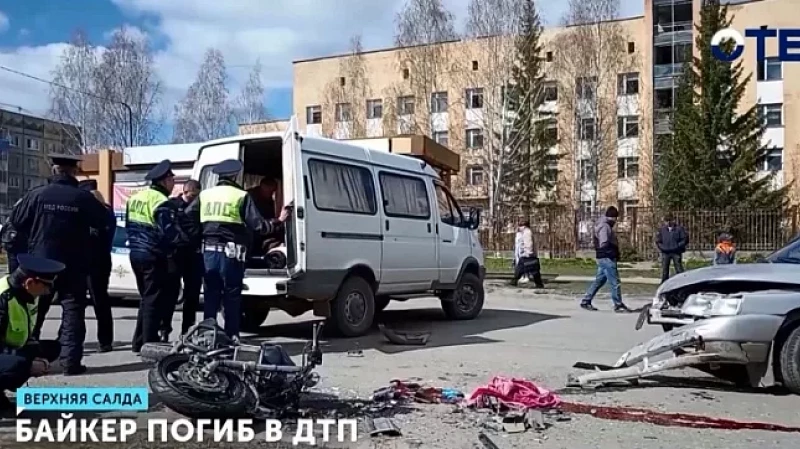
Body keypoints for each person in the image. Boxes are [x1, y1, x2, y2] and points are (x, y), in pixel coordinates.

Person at [9, 153, 110, 375]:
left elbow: (17, 221)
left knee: (36, 310)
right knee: (73, 311)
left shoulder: (36, 195)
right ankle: (70, 363)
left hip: (41, 263)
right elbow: (104, 221)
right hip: (73, 264)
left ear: (54, 170)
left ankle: (28, 359)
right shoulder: (82, 198)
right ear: (74, 172)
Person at [186, 159, 287, 339]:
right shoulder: (240, 196)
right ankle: (232, 336)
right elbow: (259, 226)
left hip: (208, 252)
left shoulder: (205, 195)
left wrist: (198, 236)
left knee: (211, 295)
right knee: (231, 296)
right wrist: (279, 221)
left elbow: (187, 218)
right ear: (235, 176)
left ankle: (208, 337)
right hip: (231, 254)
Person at [126, 160, 182, 353]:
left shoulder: (135, 198)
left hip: (135, 253)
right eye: (172, 179)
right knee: (153, 300)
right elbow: (168, 232)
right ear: (164, 180)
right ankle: (148, 343)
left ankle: (138, 340)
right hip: (152, 254)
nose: (174, 183)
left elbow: (129, 226)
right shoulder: (161, 202)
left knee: (146, 297)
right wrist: (181, 242)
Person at [0, 254, 65, 412]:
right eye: (46, 286)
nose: (48, 291)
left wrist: (36, 356)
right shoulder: (3, 299)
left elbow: (25, 332)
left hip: (8, 347)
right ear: (29, 282)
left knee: (50, 349)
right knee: (18, 364)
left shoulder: (26, 294)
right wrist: (29, 363)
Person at [78, 180, 117, 352]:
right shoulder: (108, 212)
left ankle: (76, 339)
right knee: (101, 301)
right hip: (103, 260)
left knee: (78, 302)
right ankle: (105, 341)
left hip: (87, 260)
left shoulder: (90, 214)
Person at [163, 179, 203, 337]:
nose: (194, 200)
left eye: (196, 197)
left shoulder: (200, 207)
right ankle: (164, 328)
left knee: (192, 295)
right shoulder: (172, 205)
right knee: (171, 294)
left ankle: (187, 330)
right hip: (175, 254)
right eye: (192, 196)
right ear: (185, 192)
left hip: (194, 255)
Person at [579, 206, 631, 313]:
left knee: (600, 280)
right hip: (607, 257)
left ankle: (586, 300)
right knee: (614, 281)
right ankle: (618, 304)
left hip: (604, 257)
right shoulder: (605, 226)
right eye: (615, 218)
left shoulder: (603, 224)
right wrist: (611, 250)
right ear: (611, 217)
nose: (616, 221)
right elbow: (603, 242)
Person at [655, 213, 688, 283]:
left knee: (679, 269)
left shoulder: (679, 229)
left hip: (676, 252)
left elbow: (684, 239)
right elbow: (658, 241)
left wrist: (677, 246)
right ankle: (664, 284)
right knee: (665, 270)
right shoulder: (662, 229)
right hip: (665, 252)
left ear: (673, 220)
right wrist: (663, 248)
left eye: (669, 220)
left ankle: (682, 283)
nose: (668, 222)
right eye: (666, 221)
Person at [511, 220, 544, 288]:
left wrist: (528, 253)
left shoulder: (527, 232)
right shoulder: (526, 232)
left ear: (523, 226)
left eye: (519, 226)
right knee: (534, 270)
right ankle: (539, 283)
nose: (518, 228)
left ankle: (514, 281)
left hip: (527, 255)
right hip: (528, 255)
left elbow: (529, 243)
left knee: (520, 269)